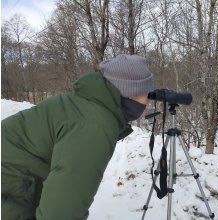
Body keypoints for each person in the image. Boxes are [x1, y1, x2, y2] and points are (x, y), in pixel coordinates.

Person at [1, 54, 154, 220]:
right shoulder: (95, 126)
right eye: (145, 92)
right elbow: (61, 212)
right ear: (130, 93)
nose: (147, 100)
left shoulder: (85, 105)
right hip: (10, 185)